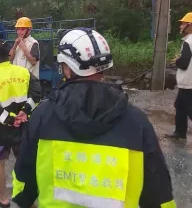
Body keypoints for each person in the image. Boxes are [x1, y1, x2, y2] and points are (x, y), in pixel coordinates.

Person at [12, 29, 176, 208]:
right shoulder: (137, 122)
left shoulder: (42, 115)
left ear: (66, 68)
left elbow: (23, 183)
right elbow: (159, 195)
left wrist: (23, 198)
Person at [0, 41, 42, 208]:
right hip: (23, 126)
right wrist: (25, 111)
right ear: (9, 55)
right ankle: (28, 200)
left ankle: (4, 199)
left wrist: (9, 119)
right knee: (25, 161)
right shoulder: (24, 72)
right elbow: (37, 92)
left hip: (0, 130)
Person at [165, 11, 192, 140]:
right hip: (189, 82)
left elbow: (184, 64)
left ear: (190, 25)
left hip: (188, 82)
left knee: (187, 108)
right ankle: (180, 133)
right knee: (180, 106)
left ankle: (180, 132)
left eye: (183, 24)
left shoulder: (189, 41)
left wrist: (177, 61)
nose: (181, 27)